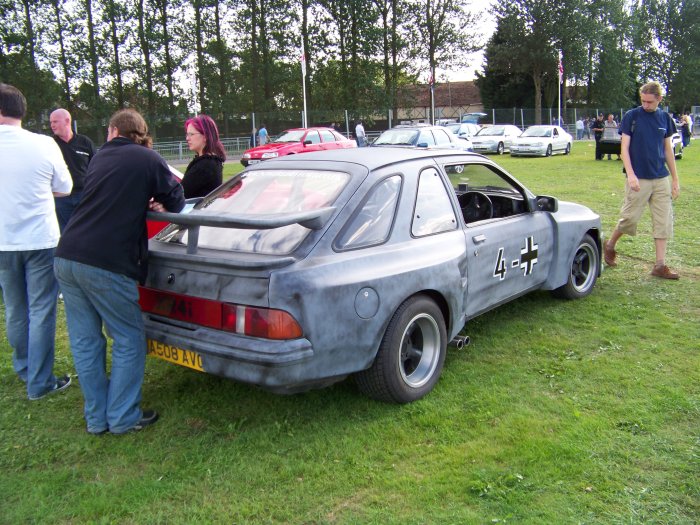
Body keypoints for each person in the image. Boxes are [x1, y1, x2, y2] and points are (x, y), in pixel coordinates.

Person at [54, 108, 185, 434]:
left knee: (86, 341)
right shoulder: (148, 158)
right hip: (107, 262)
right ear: (139, 133)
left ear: (113, 131)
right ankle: (124, 417)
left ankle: (97, 419)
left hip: (67, 254)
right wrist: (158, 203)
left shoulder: (98, 158)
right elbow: (178, 200)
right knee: (128, 338)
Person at [0, 83, 73, 400]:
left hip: (4, 241)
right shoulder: (44, 144)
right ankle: (40, 381)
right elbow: (65, 187)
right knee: (41, 310)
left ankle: (26, 369)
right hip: (41, 238)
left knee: (16, 308)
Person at [603, 81, 681, 280]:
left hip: (660, 178)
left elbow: (668, 150)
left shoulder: (665, 118)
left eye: (649, 102)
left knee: (663, 221)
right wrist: (630, 174)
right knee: (629, 219)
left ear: (659, 99)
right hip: (638, 177)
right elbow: (624, 149)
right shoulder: (632, 116)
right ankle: (610, 245)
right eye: (643, 101)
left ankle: (660, 265)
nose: (646, 105)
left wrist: (675, 179)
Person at [49, 108, 97, 231]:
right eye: (51, 122)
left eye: (55, 122)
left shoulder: (85, 142)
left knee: (87, 229)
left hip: (84, 195)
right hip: (61, 198)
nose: (52, 125)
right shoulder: (50, 144)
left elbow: (96, 167)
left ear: (67, 121)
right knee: (65, 232)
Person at [182, 114, 225, 198]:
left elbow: (180, 195)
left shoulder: (206, 165)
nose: (187, 138)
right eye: (187, 134)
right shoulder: (210, 162)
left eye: (191, 134)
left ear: (205, 136)